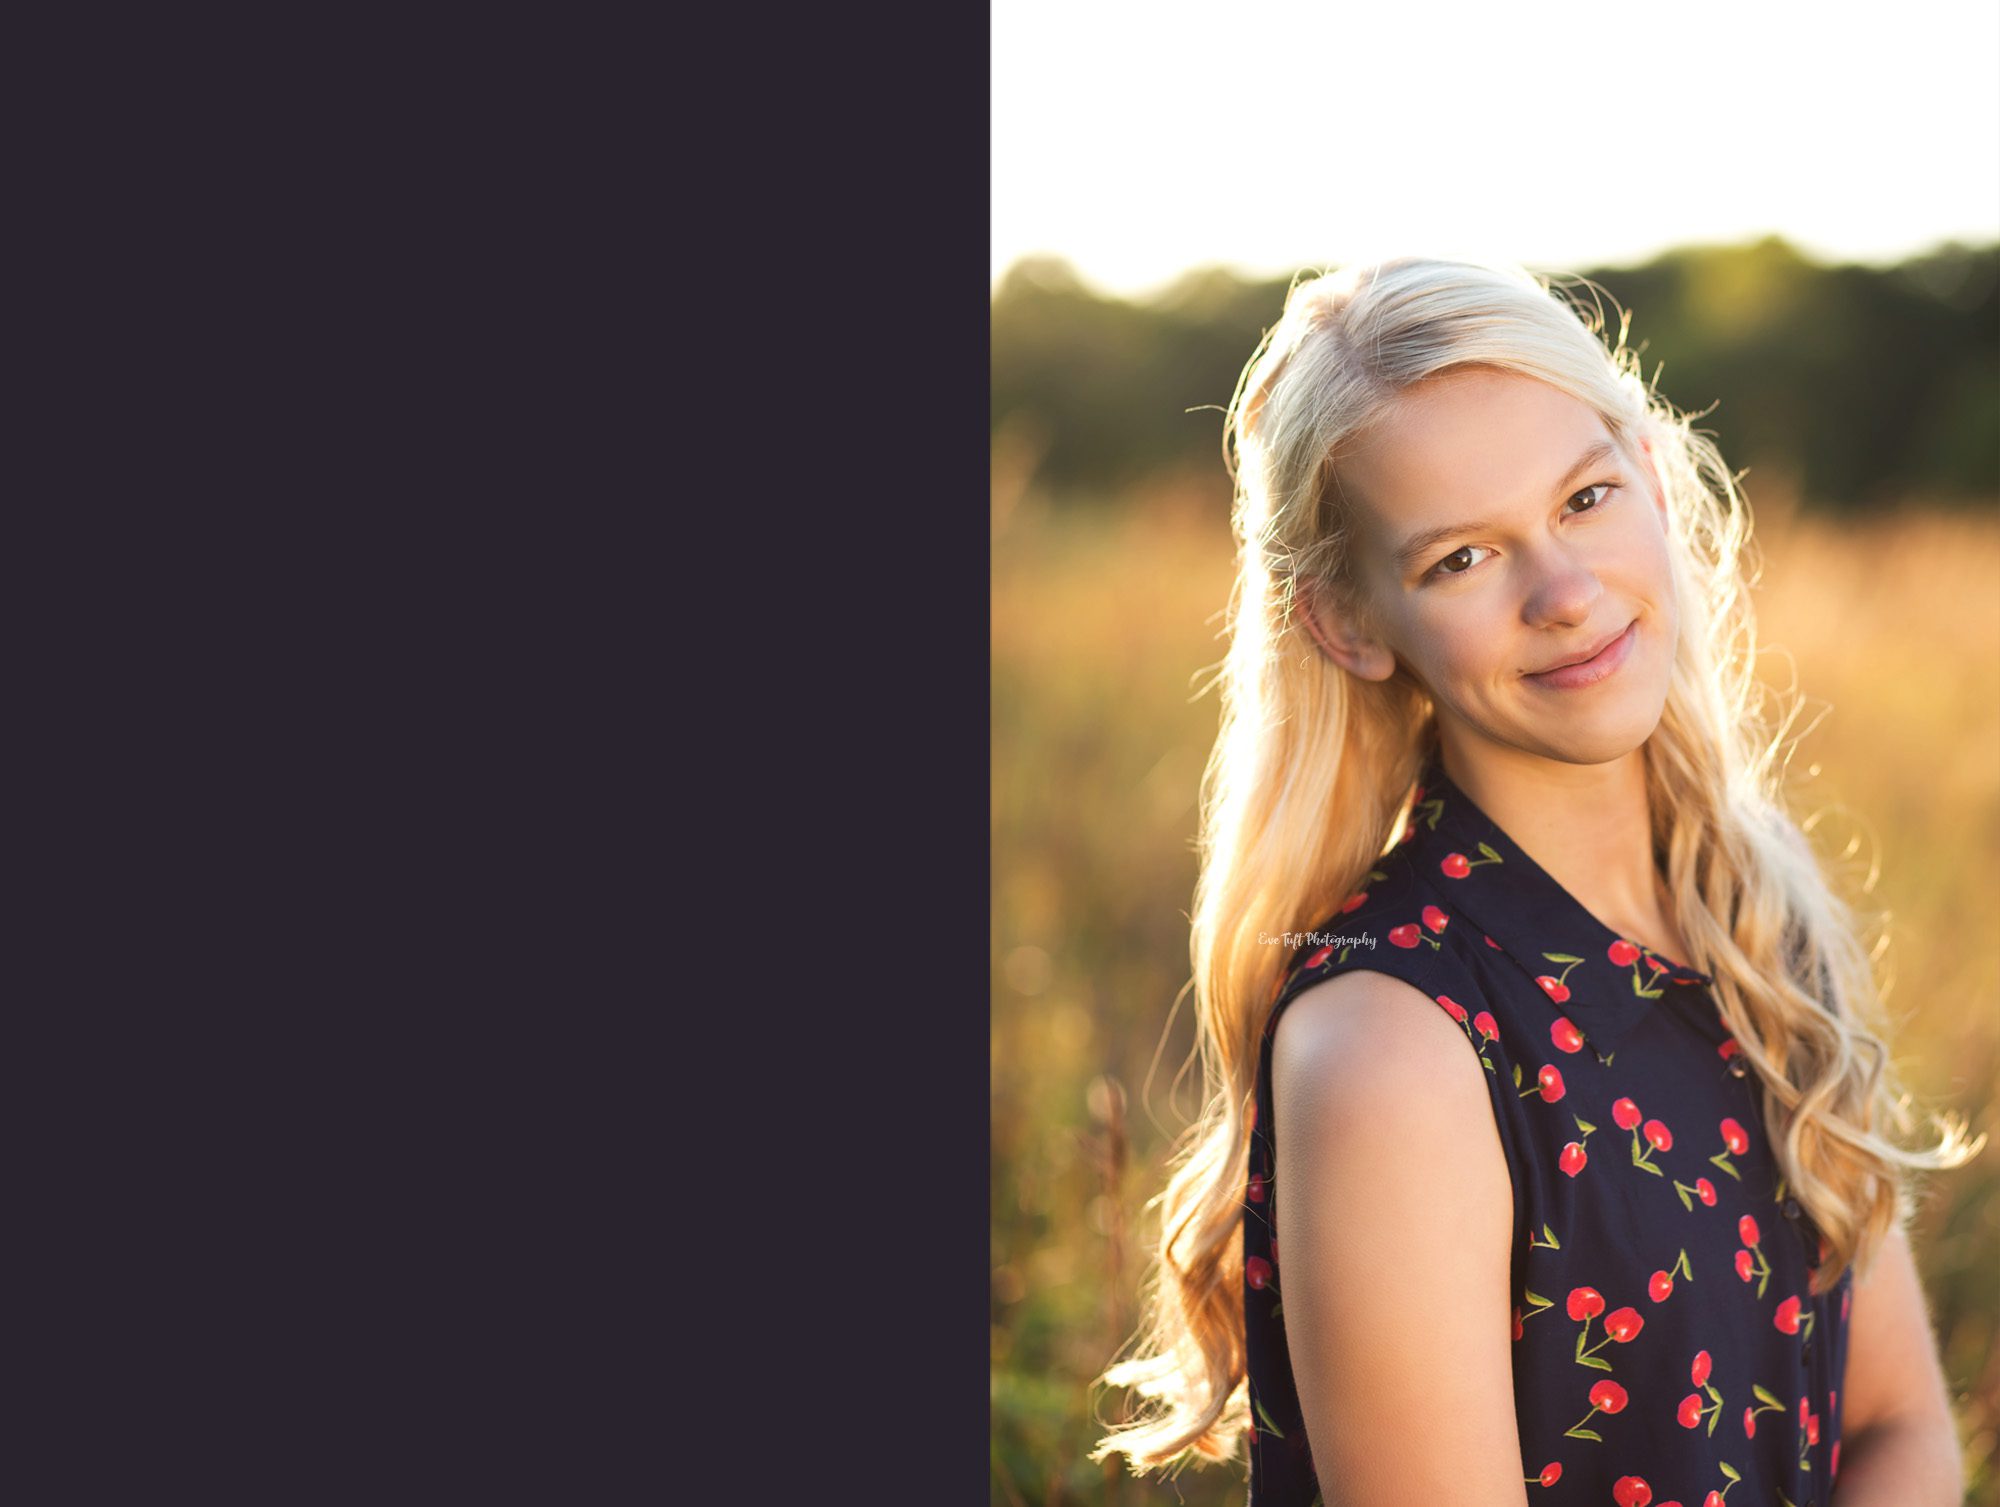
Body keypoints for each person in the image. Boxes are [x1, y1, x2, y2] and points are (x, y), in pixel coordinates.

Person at [1088, 256, 1982, 1505]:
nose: (1563, 594)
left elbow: (1892, 1426)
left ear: (1653, 478)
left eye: (1583, 497)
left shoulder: (1751, 912)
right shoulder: (1390, 1045)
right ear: (1347, 623)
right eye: (1460, 558)